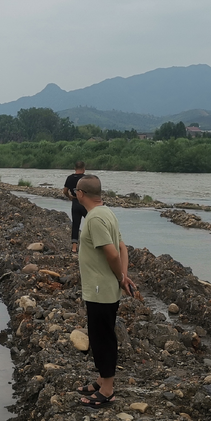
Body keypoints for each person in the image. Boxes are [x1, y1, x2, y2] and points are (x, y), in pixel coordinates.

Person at [73, 174, 136, 407]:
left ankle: (107, 390)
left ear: (81, 194)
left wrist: (121, 277)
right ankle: (102, 379)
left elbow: (112, 252)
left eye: (75, 191)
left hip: (100, 290)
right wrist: (123, 275)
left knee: (102, 338)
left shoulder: (95, 218)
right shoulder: (107, 212)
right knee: (101, 333)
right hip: (104, 288)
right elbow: (122, 247)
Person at [62, 161, 88, 253]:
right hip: (85, 203)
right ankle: (92, 245)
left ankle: (74, 248)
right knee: (91, 223)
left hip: (75, 202)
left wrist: (70, 197)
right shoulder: (86, 178)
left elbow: (65, 191)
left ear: (75, 168)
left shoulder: (70, 178)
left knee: (75, 225)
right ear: (84, 169)